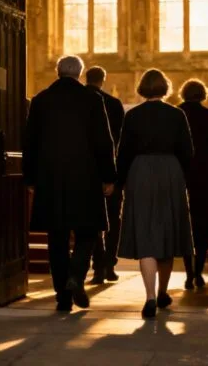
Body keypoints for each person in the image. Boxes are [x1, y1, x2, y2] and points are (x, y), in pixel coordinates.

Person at [24, 55, 117, 313]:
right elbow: (103, 141)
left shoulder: (41, 100)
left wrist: (30, 178)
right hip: (86, 177)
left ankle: (62, 297)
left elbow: (30, 142)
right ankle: (76, 274)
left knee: (57, 238)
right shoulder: (92, 99)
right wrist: (109, 177)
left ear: (58, 72)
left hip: (51, 178)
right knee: (88, 231)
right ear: (79, 73)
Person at [116, 69, 194, 319]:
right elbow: (187, 152)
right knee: (167, 232)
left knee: (145, 232)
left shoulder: (133, 116)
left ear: (142, 88)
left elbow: (124, 152)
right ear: (165, 87)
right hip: (170, 171)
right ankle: (162, 292)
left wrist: (118, 182)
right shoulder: (177, 114)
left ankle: (149, 296)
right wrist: (183, 179)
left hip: (140, 172)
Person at [177, 79, 208, 290]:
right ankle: (198, 272)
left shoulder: (177, 113)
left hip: (181, 175)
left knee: (185, 225)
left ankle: (188, 273)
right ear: (203, 95)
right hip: (203, 175)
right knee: (202, 225)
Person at [86, 66, 126, 285]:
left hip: (86, 171)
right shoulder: (114, 103)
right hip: (112, 167)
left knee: (91, 219)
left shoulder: (79, 101)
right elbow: (120, 139)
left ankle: (98, 265)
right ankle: (110, 264)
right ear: (103, 80)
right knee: (113, 219)